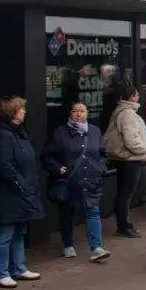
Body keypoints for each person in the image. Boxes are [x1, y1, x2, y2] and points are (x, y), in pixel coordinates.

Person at [43, 101, 111, 262]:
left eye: (82, 111)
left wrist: (100, 168)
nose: (79, 114)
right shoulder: (60, 133)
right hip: (70, 179)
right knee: (68, 213)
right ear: (70, 114)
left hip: (91, 179)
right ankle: (67, 244)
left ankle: (96, 248)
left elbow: (102, 153)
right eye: (75, 111)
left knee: (93, 210)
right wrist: (57, 168)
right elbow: (47, 155)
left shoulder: (94, 131)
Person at [0, 96, 45, 288]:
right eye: (21, 109)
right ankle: (1, 272)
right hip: (9, 192)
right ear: (12, 112)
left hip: (22, 191)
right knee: (5, 233)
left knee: (18, 231)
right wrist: (20, 182)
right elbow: (3, 164)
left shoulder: (17, 133)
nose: (24, 112)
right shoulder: (3, 135)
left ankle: (18, 267)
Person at [104, 84, 146, 238]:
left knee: (124, 193)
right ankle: (124, 225)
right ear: (132, 97)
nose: (139, 97)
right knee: (126, 194)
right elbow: (131, 138)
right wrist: (142, 150)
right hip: (131, 159)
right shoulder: (128, 113)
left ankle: (123, 224)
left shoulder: (121, 111)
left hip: (126, 159)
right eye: (137, 94)